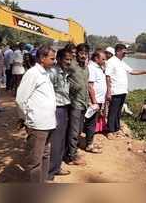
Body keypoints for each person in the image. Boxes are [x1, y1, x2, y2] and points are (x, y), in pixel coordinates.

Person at [15, 45, 57, 183]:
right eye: (52, 58)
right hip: (37, 124)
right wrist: (25, 119)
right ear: (42, 58)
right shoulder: (32, 73)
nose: (54, 61)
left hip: (48, 123)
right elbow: (21, 99)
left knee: (45, 155)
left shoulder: (45, 72)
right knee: (35, 161)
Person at [105, 44, 146, 133]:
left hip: (123, 91)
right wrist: (108, 91)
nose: (125, 54)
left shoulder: (122, 62)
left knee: (118, 111)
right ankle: (110, 130)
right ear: (118, 51)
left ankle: (116, 128)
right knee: (113, 111)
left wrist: (145, 72)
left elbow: (132, 71)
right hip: (115, 91)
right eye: (124, 52)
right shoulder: (111, 62)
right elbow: (107, 76)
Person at [47, 48, 73, 181]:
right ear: (59, 59)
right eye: (66, 59)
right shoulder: (53, 73)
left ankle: (56, 167)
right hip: (57, 108)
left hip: (64, 107)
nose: (69, 62)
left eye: (70, 59)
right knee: (56, 141)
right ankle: (50, 172)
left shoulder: (65, 72)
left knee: (61, 140)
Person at [65, 43, 90, 166]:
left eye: (86, 53)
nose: (83, 55)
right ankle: (71, 157)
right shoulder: (71, 65)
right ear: (77, 53)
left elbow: (86, 85)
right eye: (81, 53)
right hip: (74, 103)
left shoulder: (85, 67)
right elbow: (63, 78)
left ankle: (71, 151)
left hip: (83, 103)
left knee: (79, 130)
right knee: (74, 132)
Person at [84, 48, 107, 153]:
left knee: (92, 122)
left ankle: (90, 141)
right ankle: (89, 144)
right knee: (91, 122)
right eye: (103, 59)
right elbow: (90, 86)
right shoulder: (92, 68)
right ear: (96, 58)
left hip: (98, 100)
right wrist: (94, 102)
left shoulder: (99, 67)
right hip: (95, 101)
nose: (104, 61)